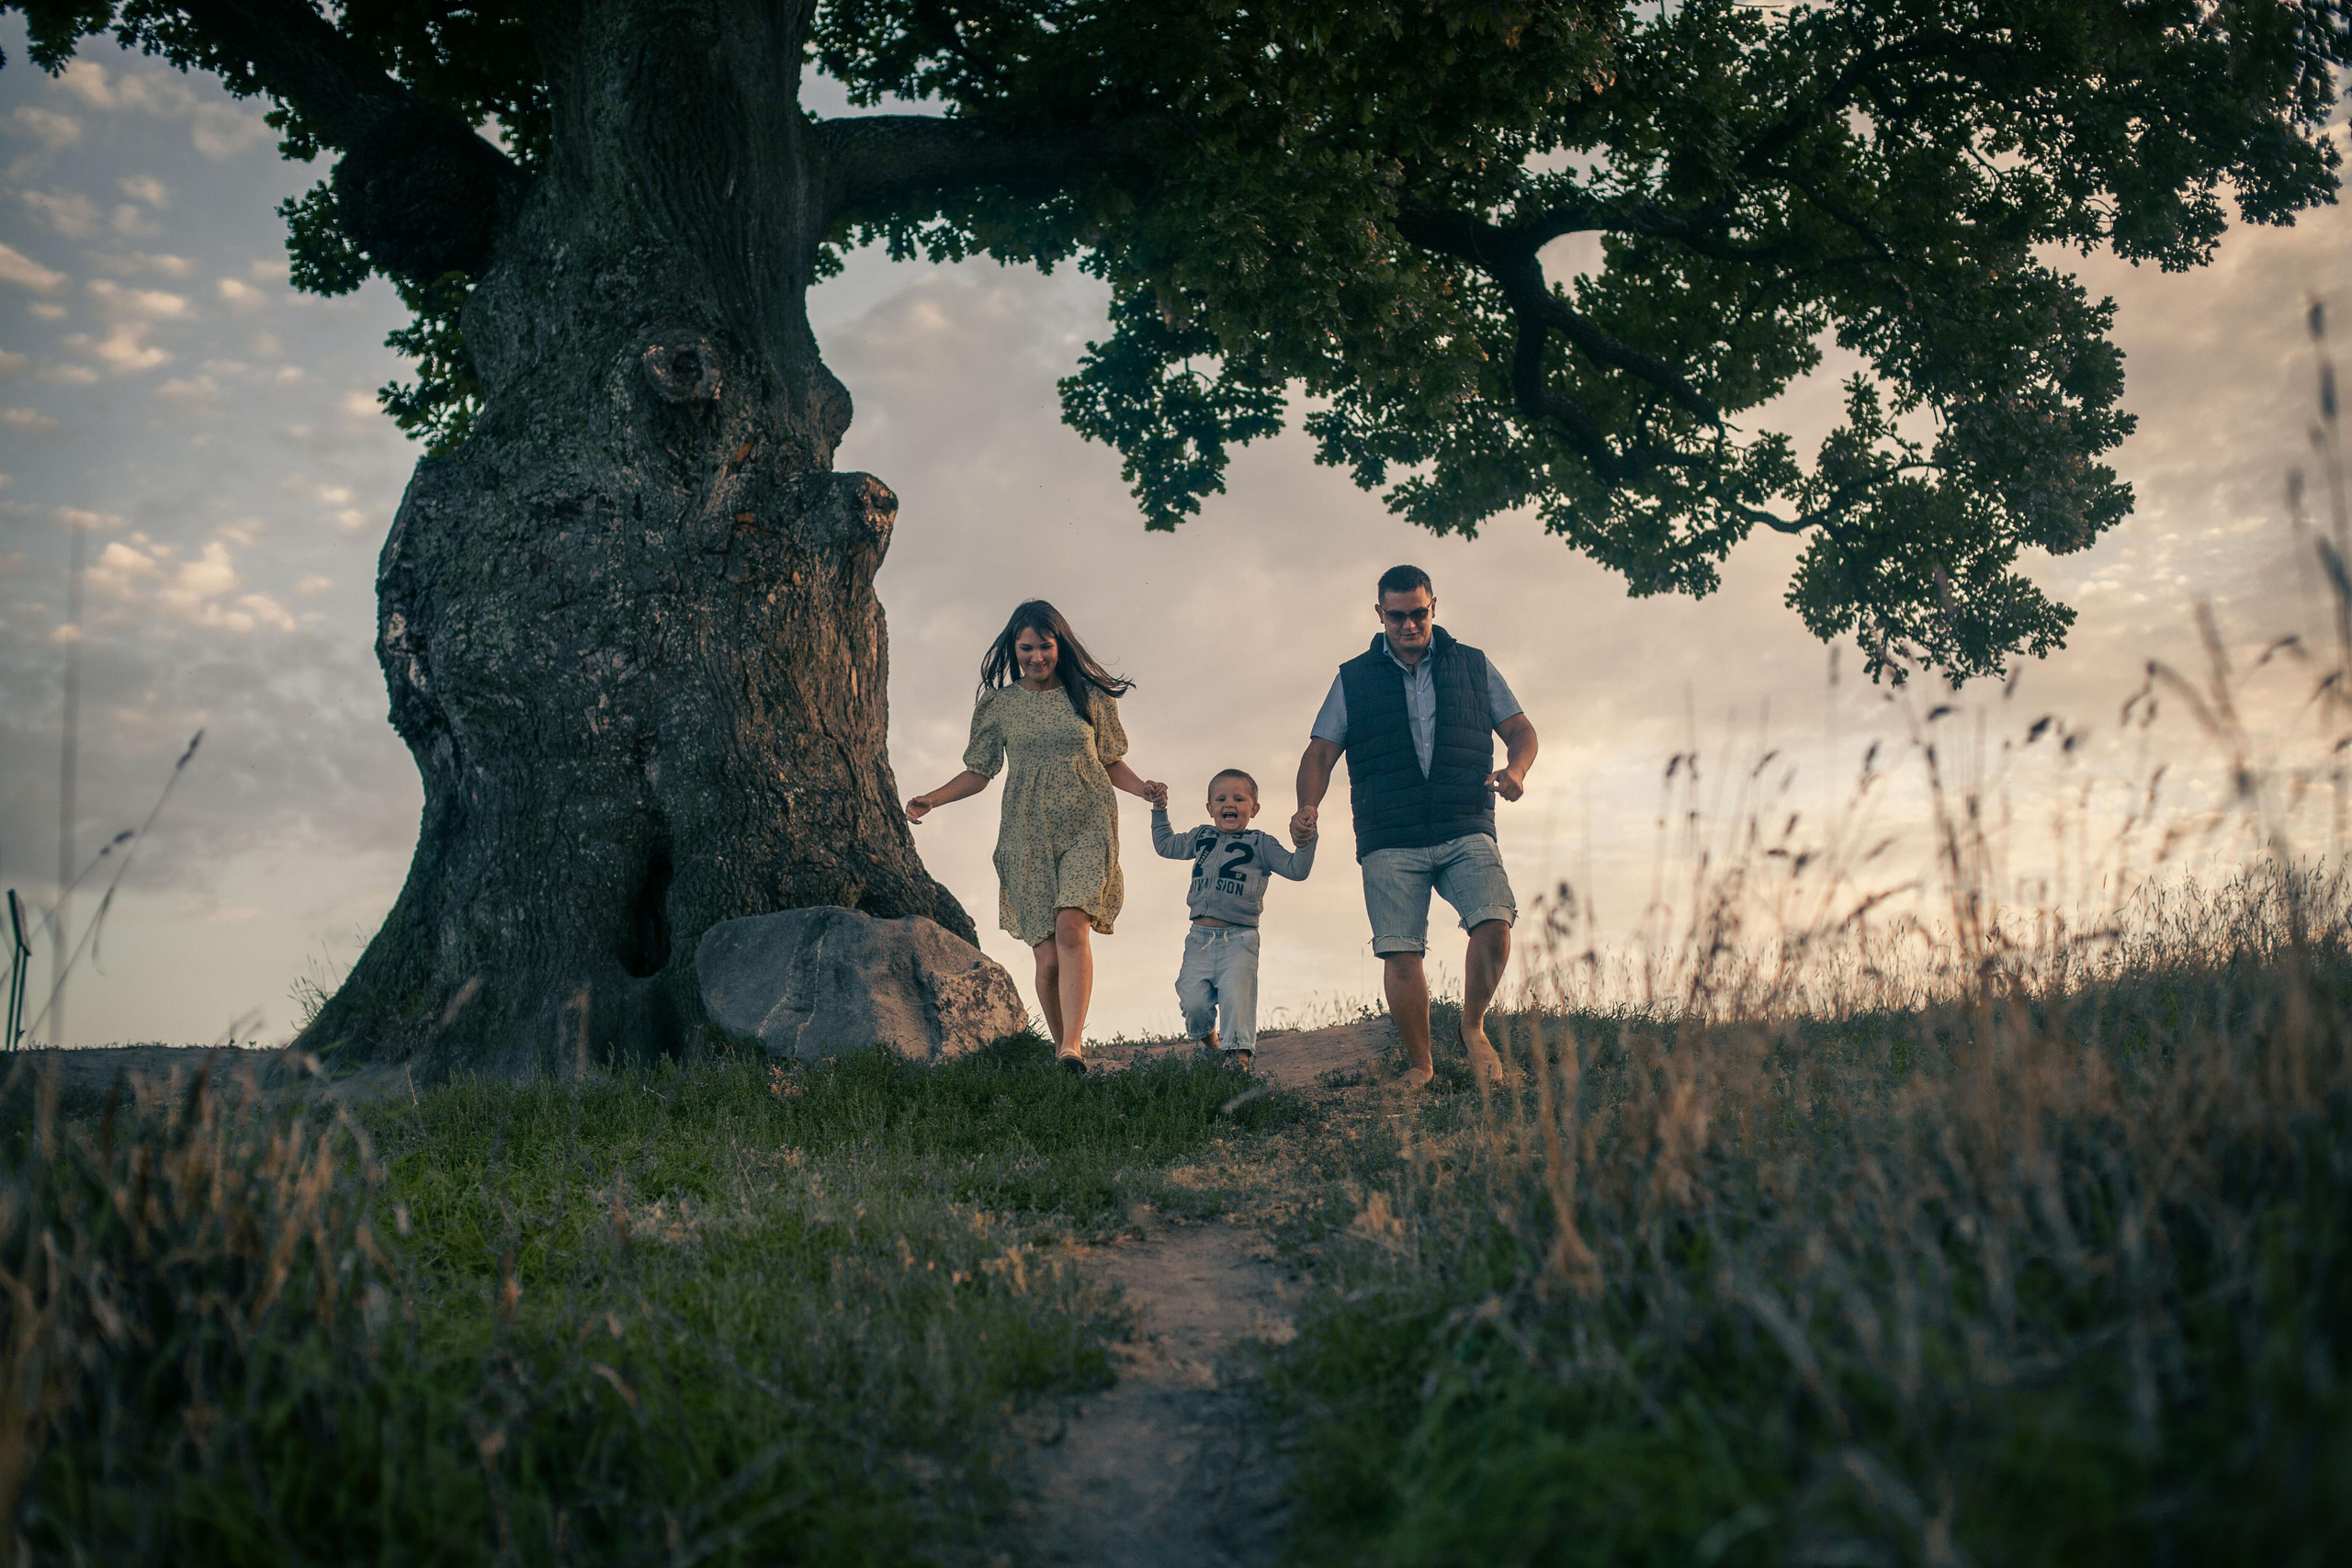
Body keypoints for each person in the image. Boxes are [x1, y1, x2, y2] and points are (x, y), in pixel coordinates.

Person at [1290, 565, 1537, 1088]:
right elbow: (1320, 752)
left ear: (1433, 608)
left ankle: (1473, 1029)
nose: (1409, 625)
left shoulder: (1472, 664)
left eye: (1418, 613)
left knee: (1494, 923)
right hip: (1389, 834)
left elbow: (1520, 730)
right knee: (1401, 951)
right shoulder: (1353, 678)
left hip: (1464, 822)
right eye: (1397, 616)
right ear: (1379, 614)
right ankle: (1421, 1065)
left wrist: (1515, 770)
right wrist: (1307, 806)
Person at [907, 601, 1164, 1074]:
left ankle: (1071, 1046)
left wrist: (1142, 788)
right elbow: (979, 771)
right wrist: (933, 799)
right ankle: (1061, 1055)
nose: (1037, 657)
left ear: (1059, 644)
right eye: (1027, 648)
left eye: (1045, 646)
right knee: (1047, 958)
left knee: (1072, 926)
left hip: (1088, 822)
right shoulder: (999, 705)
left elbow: (1110, 760)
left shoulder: (1088, 695)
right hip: (1027, 835)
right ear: (1014, 649)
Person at [1145, 768, 1317, 1071]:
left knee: (1237, 1002)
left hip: (1240, 939)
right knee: (1194, 1003)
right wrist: (1160, 810)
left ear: (1254, 809)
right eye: (1221, 798)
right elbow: (1166, 845)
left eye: (1239, 799)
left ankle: (1239, 1065)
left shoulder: (1261, 843)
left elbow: (1296, 870)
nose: (1230, 804)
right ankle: (1212, 1044)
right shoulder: (1201, 836)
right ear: (1209, 807)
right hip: (1198, 938)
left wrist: (1307, 840)